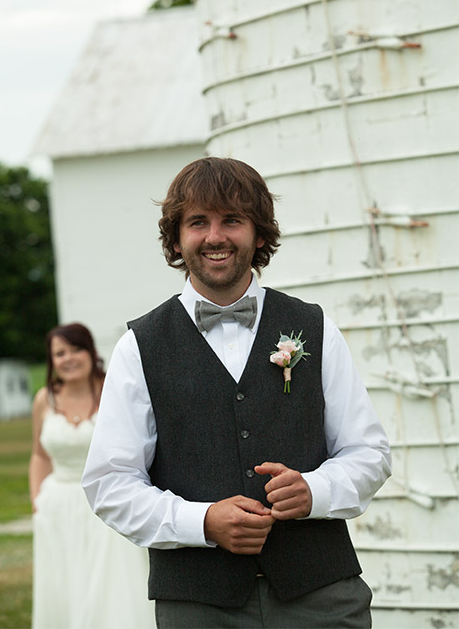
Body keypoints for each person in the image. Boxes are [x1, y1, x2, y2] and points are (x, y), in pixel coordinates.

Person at [82, 158, 392, 629]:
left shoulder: (314, 326)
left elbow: (369, 453)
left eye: (232, 220)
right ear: (177, 238)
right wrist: (202, 522)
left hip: (323, 596)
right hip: (199, 606)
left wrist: (316, 490)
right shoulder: (139, 346)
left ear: (259, 233)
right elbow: (109, 484)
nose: (215, 236)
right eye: (198, 222)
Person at [29, 322, 155, 629]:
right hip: (57, 508)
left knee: (111, 585)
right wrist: (37, 502)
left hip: (107, 498)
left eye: (76, 349)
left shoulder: (113, 389)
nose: (68, 358)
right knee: (66, 583)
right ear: (52, 360)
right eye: (60, 353)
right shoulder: (44, 400)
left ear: (91, 352)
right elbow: (39, 455)